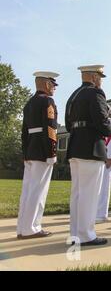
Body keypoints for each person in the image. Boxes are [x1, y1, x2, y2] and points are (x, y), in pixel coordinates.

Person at [65, 65, 111, 246]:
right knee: (89, 194)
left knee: (77, 194)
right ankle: (86, 235)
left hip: (76, 145)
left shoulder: (74, 95)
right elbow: (102, 122)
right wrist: (110, 128)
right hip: (91, 147)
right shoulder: (96, 94)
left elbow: (68, 124)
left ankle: (76, 233)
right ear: (93, 77)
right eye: (100, 77)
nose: (101, 80)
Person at [17, 71, 59, 240]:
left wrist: (25, 153)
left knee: (27, 190)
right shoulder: (47, 101)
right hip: (43, 151)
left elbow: (24, 132)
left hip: (31, 150)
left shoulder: (29, 104)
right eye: (53, 85)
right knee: (38, 190)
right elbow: (51, 128)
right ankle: (32, 228)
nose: (54, 89)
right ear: (47, 84)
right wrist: (52, 152)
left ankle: (22, 227)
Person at [96, 105, 111, 223]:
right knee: (97, 187)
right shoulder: (99, 122)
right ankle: (96, 212)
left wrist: (110, 157)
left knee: (104, 188)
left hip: (106, 159)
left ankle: (102, 214)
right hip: (98, 158)